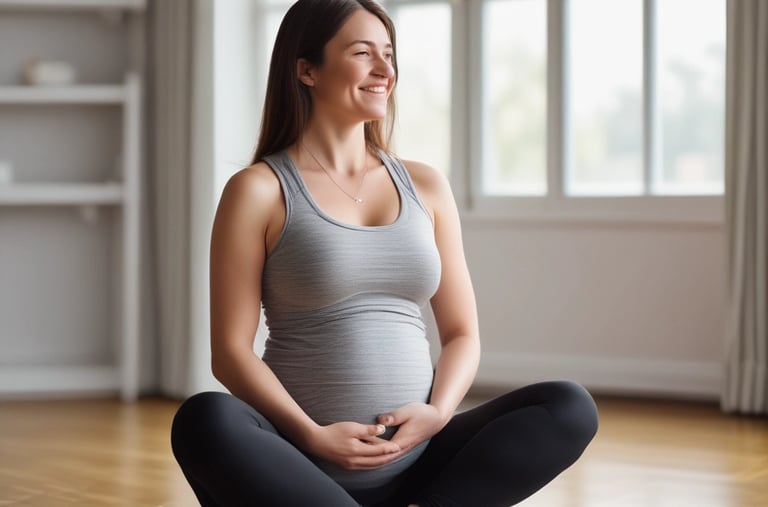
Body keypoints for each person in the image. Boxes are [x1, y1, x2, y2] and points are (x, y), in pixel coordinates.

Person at [170, 1, 598, 505]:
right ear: (306, 70)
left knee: (569, 407)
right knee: (205, 418)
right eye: (362, 53)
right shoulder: (260, 190)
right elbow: (231, 353)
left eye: (389, 55)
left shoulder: (425, 185)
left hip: (419, 461)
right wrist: (312, 435)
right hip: (299, 462)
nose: (384, 70)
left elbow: (462, 334)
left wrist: (437, 414)